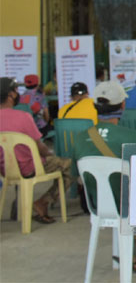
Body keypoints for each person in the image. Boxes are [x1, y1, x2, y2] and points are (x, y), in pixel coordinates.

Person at [70, 81, 136, 272]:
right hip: (129, 208)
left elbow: (75, 176)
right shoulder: (133, 136)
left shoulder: (78, 138)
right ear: (122, 105)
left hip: (96, 207)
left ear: (95, 106)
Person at [0, 77, 72, 224]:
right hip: (30, 168)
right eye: (15, 90)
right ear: (11, 95)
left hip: (5, 170)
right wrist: (50, 154)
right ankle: (43, 202)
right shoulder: (24, 117)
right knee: (70, 166)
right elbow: (40, 148)